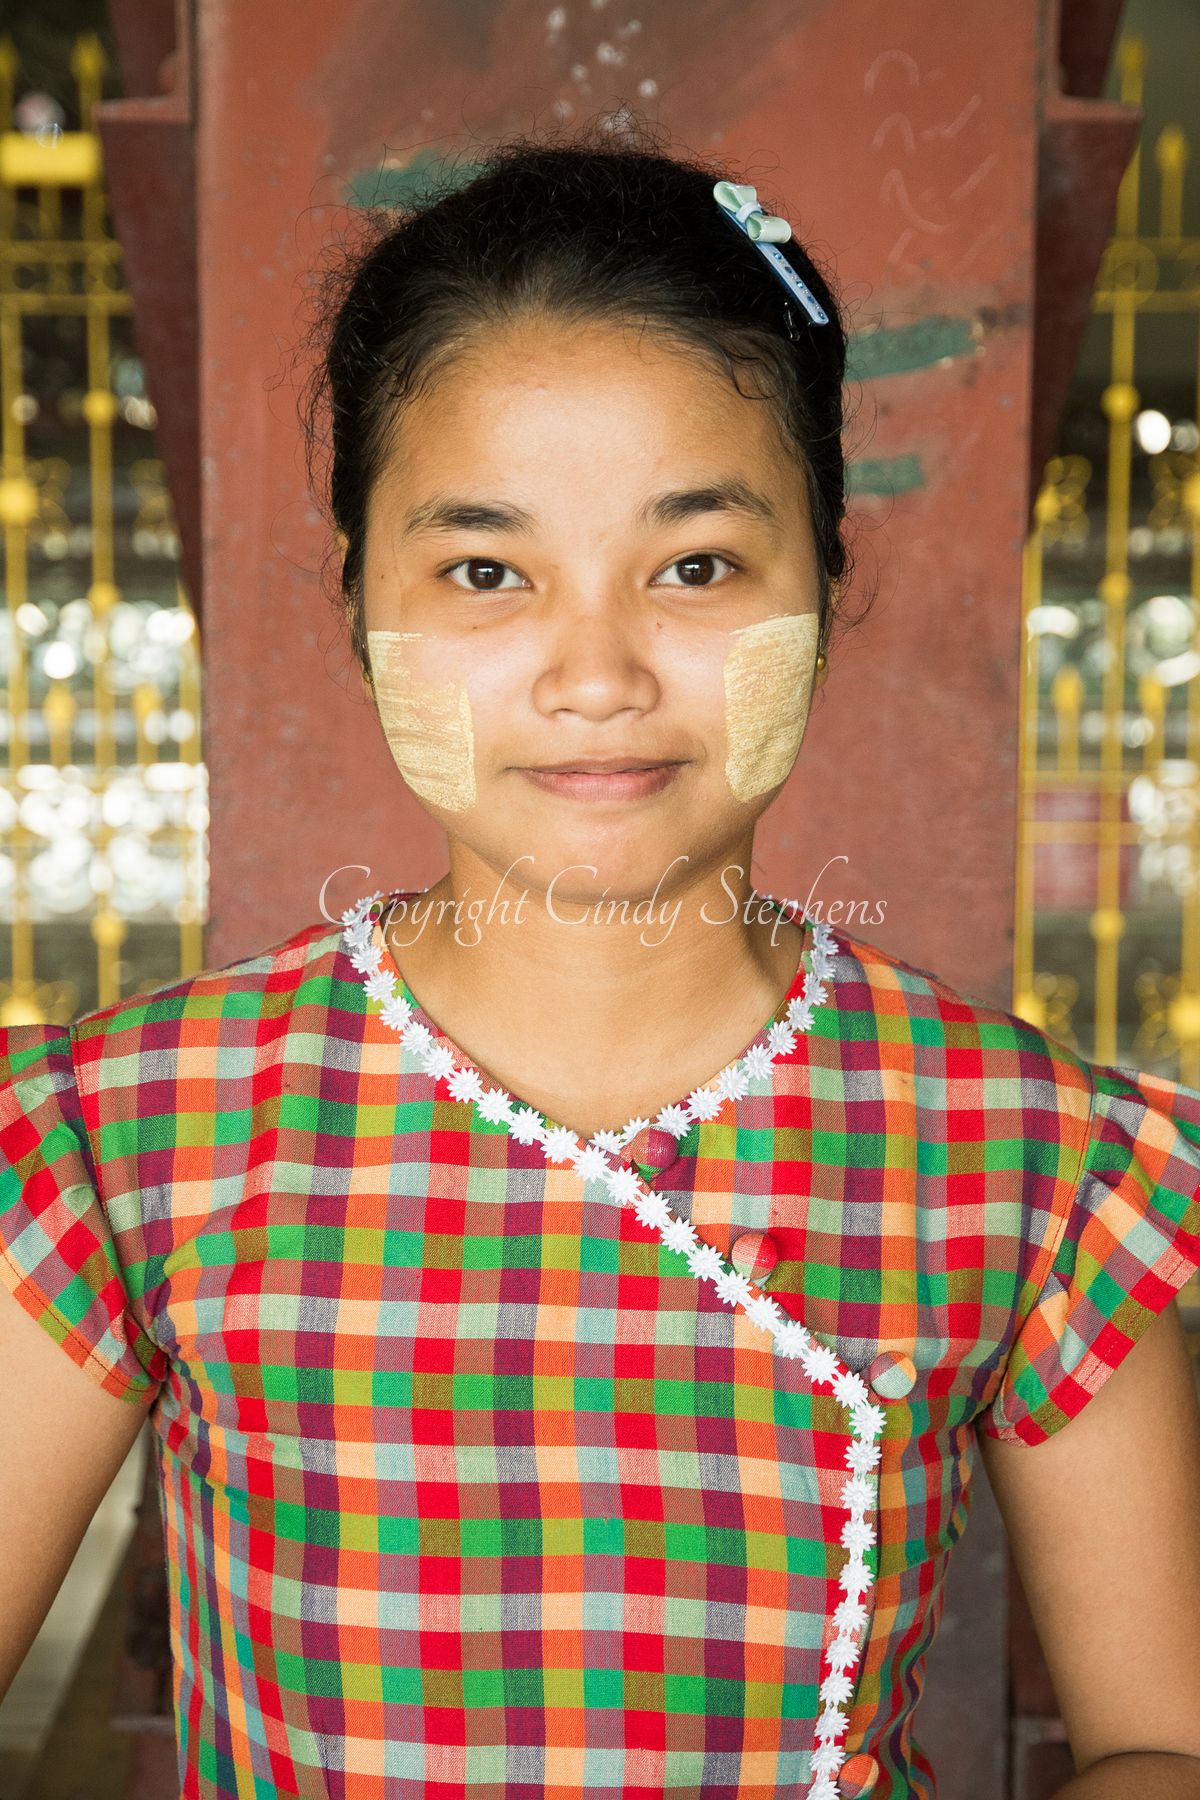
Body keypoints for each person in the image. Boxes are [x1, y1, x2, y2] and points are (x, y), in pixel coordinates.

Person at [2, 123, 1199, 1800]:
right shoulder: (129, 1136)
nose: (595, 670)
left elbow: (1165, 1740)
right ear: (359, 604)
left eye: (698, 565)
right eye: (485, 571)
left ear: (830, 576)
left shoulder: (1033, 1157)